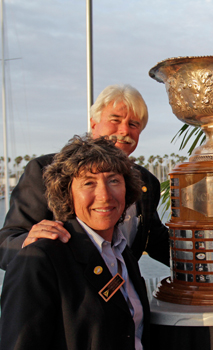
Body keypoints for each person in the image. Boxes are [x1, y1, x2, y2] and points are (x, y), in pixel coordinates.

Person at [0, 135, 150, 350]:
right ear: (66, 193)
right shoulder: (39, 261)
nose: (105, 195)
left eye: (114, 180)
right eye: (89, 183)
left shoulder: (123, 253)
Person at [0, 84, 169, 270]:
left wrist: (203, 259)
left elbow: (155, 239)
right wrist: (29, 243)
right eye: (115, 120)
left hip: (124, 295)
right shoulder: (45, 170)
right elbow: (6, 242)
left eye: (133, 124)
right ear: (94, 124)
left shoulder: (146, 181)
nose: (124, 131)